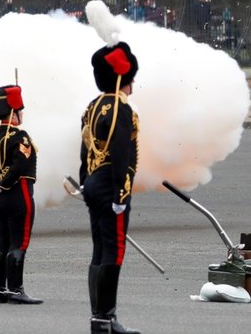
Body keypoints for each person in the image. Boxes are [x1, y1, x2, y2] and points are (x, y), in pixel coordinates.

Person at [80, 42, 141, 334]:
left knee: (99, 249)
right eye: (130, 80)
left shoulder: (93, 106)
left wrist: (84, 181)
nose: (132, 86)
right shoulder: (120, 108)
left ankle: (98, 317)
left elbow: (84, 148)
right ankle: (106, 318)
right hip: (110, 184)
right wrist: (120, 190)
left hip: (93, 180)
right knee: (113, 251)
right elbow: (120, 152)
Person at [0, 85, 42, 304]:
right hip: (18, 194)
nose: (22, 114)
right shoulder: (21, 136)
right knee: (19, 242)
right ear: (13, 111)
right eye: (20, 110)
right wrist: (4, 183)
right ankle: (16, 290)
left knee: (2, 242)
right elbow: (20, 165)